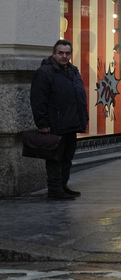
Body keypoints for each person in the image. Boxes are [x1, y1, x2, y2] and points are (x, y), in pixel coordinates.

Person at [30, 39, 89, 200]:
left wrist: (83, 118)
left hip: (70, 123)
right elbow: (38, 100)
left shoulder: (73, 71)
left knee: (67, 157)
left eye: (67, 53)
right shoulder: (45, 72)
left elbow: (78, 97)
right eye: (61, 53)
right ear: (53, 54)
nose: (64, 56)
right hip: (55, 125)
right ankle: (55, 190)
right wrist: (42, 123)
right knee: (55, 159)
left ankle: (63, 186)